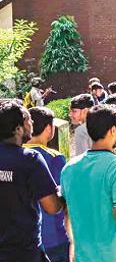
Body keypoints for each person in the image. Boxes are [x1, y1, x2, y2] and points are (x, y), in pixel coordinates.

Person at [62, 104, 116, 262]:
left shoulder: (69, 168)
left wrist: (73, 247)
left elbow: (67, 214)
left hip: (83, 256)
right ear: (113, 130)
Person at [0, 99, 64, 261]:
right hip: (25, 250)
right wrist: (62, 196)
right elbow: (51, 206)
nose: (32, 123)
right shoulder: (30, 159)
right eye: (28, 120)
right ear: (18, 129)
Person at [24, 107, 69, 262]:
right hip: (54, 235)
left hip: (25, 236)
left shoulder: (15, 154)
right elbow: (65, 194)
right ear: (49, 128)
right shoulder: (54, 158)